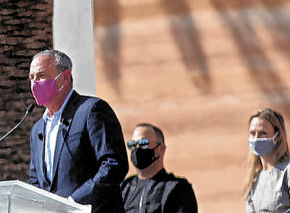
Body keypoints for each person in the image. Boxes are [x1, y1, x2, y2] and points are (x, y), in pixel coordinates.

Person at [28, 48, 128, 213]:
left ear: (65, 78)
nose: (35, 84)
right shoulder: (38, 129)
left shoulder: (91, 110)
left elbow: (113, 165)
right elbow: (36, 181)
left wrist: (74, 203)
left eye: (41, 76)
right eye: (31, 78)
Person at [246, 108, 290, 213]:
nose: (256, 138)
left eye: (263, 133)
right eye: (252, 133)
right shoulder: (255, 178)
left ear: (277, 136)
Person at [120, 123, 197, 213]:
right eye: (132, 144)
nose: (137, 149)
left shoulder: (177, 189)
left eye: (143, 143)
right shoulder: (125, 188)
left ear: (161, 149)